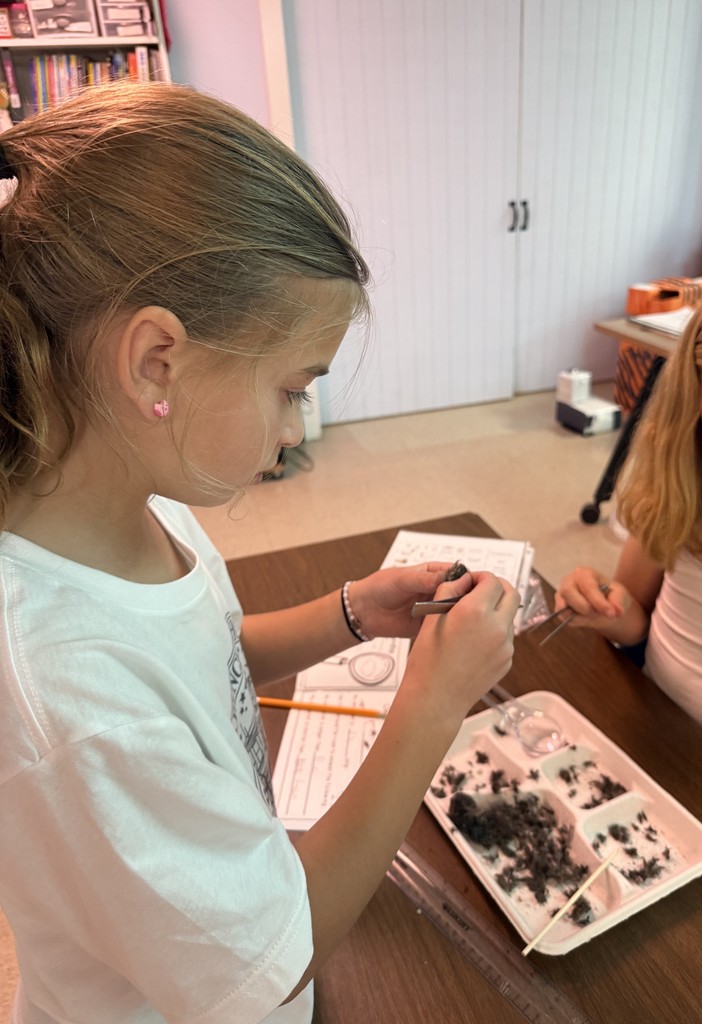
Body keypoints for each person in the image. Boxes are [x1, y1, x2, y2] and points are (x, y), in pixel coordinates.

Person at [0, 82, 520, 1024]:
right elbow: (275, 959)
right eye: (291, 388)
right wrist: (433, 703)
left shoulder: (138, 502)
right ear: (156, 362)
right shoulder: (70, 698)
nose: (296, 426)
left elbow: (203, 662)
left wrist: (350, 614)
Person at [556, 261, 702, 790]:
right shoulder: (680, 497)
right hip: (646, 743)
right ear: (695, 394)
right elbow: (636, 621)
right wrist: (605, 605)